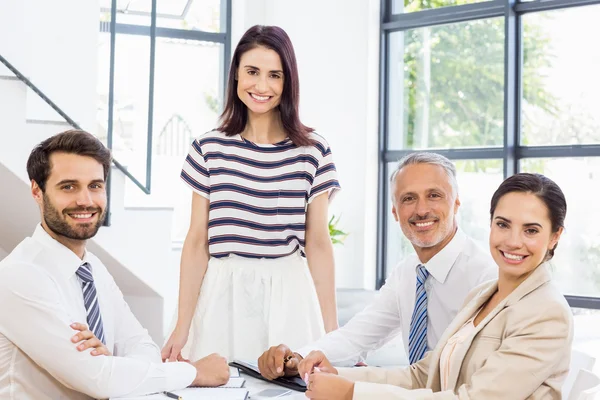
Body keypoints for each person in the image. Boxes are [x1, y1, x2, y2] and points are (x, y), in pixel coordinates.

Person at [0, 130, 230, 399]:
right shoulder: (20, 275)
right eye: (68, 186)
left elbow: (143, 348)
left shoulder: (93, 268)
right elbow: (100, 380)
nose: (85, 200)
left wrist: (111, 368)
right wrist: (194, 373)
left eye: (95, 186)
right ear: (37, 191)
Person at [302, 173, 573, 400]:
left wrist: (353, 393)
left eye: (531, 230)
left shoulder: (546, 312)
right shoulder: (483, 294)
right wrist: (340, 375)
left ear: (555, 236)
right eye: (503, 225)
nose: (513, 241)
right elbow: (424, 375)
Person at [161, 25, 341, 363]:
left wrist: (333, 337)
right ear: (236, 76)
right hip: (220, 296)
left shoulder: (313, 150)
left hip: (289, 298)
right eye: (252, 72)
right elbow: (197, 240)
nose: (262, 86)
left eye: (274, 75)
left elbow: (318, 243)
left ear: (288, 82)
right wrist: (182, 327)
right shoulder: (208, 148)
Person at [258, 152, 496, 379]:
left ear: (456, 203)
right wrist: (298, 358)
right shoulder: (408, 273)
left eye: (434, 195)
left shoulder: (486, 277)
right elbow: (357, 337)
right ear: (395, 211)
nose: (422, 210)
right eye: (408, 198)